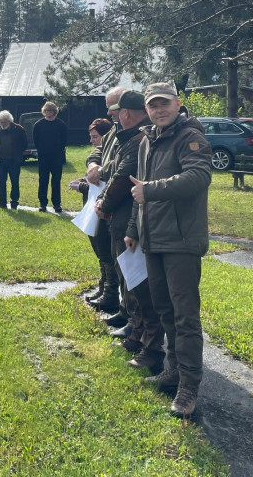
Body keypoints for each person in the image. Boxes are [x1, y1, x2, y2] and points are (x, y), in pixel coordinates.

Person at [126, 82, 212, 417]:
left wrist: (151, 190)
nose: (159, 110)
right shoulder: (148, 139)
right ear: (147, 109)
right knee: (164, 310)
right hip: (153, 241)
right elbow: (138, 190)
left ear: (178, 103)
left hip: (181, 242)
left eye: (164, 103)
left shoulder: (190, 136)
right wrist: (133, 229)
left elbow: (198, 177)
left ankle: (189, 387)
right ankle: (173, 371)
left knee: (185, 316)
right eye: (153, 105)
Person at [95, 90, 164, 374]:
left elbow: (123, 177)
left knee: (140, 285)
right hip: (128, 219)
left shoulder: (138, 139)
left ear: (125, 113)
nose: (113, 116)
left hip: (131, 220)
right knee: (131, 282)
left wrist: (105, 203)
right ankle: (137, 332)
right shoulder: (133, 137)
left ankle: (149, 343)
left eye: (116, 111)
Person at [84, 86, 126, 313]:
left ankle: (122, 306)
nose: (109, 113)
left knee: (120, 257)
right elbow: (98, 152)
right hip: (105, 198)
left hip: (118, 202)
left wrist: (99, 171)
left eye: (113, 107)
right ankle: (110, 293)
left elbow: (122, 164)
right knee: (104, 247)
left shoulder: (134, 133)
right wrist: (93, 164)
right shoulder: (115, 130)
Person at [72, 118, 119, 311]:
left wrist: (82, 186)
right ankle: (103, 288)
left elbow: (103, 186)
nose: (92, 140)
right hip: (93, 211)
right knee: (100, 254)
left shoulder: (113, 155)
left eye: (95, 137)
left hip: (104, 212)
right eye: (90, 137)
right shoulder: (99, 155)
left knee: (106, 253)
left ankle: (110, 292)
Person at [33, 101, 67, 212]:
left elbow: (64, 140)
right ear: (44, 111)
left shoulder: (61, 125)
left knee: (56, 180)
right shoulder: (38, 125)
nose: (48, 113)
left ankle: (56, 204)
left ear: (54, 112)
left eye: (51, 111)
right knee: (43, 180)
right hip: (43, 157)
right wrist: (42, 151)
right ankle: (42, 203)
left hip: (57, 157)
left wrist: (59, 151)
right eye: (47, 110)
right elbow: (36, 140)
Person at [0, 110, 28, 209]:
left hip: (14, 161)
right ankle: (2, 203)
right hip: (1, 160)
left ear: (9, 121)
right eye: (0, 122)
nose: (2, 124)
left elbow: (24, 144)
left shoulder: (19, 129)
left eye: (4, 122)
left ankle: (14, 202)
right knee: (1, 182)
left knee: (15, 182)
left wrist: (18, 153)